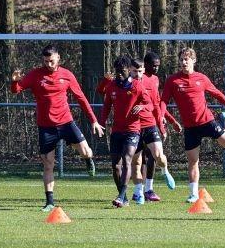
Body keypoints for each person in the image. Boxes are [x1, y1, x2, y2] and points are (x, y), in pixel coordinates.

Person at [11, 45, 105, 211]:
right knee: (48, 164)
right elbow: (16, 90)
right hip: (46, 127)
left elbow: (81, 98)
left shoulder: (67, 75)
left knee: (86, 151)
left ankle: (88, 161)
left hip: (66, 123)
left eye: (52, 61)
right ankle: (49, 202)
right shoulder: (35, 75)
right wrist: (14, 81)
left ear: (58, 58)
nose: (49, 64)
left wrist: (94, 120)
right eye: (46, 61)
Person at [161, 47, 225, 203]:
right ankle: (193, 194)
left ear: (193, 60)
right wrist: (161, 115)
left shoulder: (201, 78)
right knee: (193, 161)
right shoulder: (172, 80)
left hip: (207, 121)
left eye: (186, 59)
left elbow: (216, 93)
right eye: (181, 59)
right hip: (190, 128)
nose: (183, 62)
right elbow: (163, 101)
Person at [100, 56, 163, 208]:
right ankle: (124, 197)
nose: (119, 74)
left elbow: (150, 104)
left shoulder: (137, 86)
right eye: (117, 71)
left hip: (133, 130)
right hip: (117, 130)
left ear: (128, 70)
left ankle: (121, 196)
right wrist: (100, 123)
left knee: (127, 158)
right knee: (115, 166)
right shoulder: (112, 87)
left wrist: (142, 107)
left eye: (122, 71)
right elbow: (106, 106)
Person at [129, 56, 181, 204]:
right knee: (137, 161)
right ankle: (139, 192)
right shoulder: (129, 81)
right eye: (154, 65)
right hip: (134, 127)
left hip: (150, 123)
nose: (156, 68)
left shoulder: (154, 80)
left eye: (158, 65)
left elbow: (156, 103)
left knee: (157, 155)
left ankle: (164, 172)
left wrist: (165, 123)